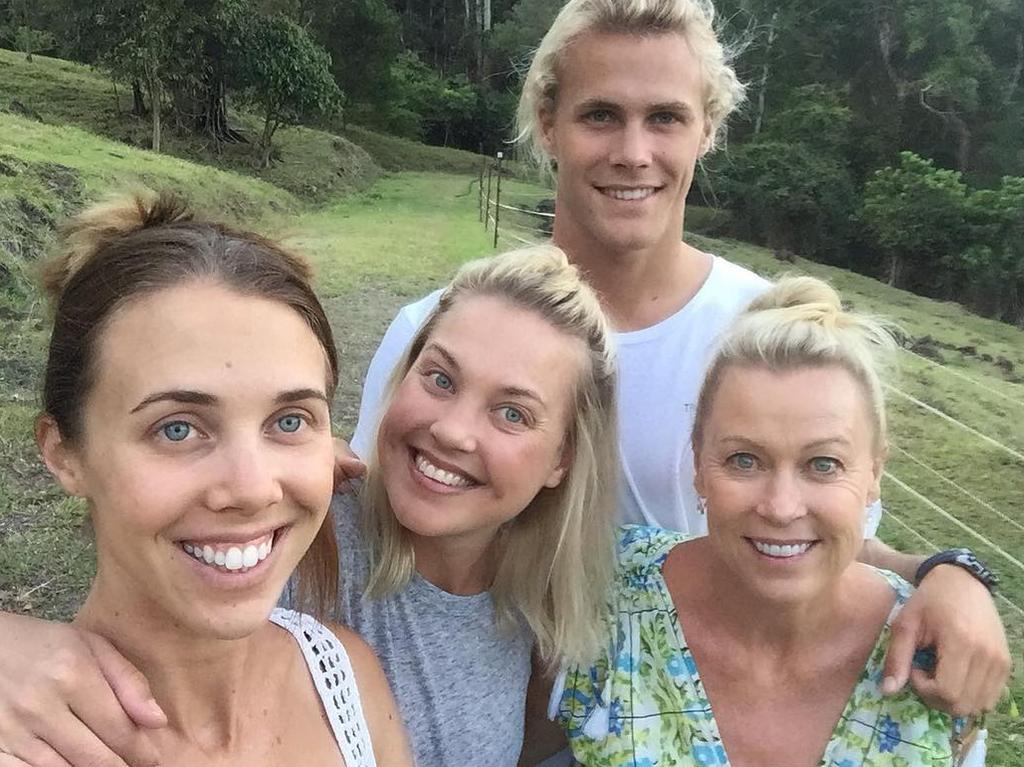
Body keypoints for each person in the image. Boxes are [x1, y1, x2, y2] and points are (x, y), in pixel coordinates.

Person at [351, 0, 1009, 720]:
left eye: (664, 117)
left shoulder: (765, 335)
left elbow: (821, 533)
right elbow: (363, 526)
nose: (633, 151)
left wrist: (949, 574)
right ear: (548, 123)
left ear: (708, 131)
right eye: (600, 114)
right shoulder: (440, 336)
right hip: (476, 724)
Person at [0, 243, 621, 767]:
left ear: (563, 459)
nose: (251, 488)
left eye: (513, 413)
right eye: (179, 428)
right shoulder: (306, 532)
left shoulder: (524, 604)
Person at [0, 193, 412, 767]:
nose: (251, 488)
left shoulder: (345, 679)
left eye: (289, 421)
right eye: (177, 430)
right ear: (65, 454)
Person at [556, 276, 983, 766]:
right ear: (698, 464)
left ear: (874, 474)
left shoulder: (937, 648)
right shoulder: (604, 597)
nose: (781, 507)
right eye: (744, 460)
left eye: (823, 465)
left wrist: (956, 575)